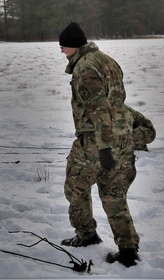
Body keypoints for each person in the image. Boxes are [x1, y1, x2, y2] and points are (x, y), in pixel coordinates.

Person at [58, 21, 141, 268]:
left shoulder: (84, 69)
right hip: (122, 138)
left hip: (96, 141)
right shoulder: (107, 60)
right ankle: (128, 250)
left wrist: (104, 148)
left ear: (73, 46)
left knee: (75, 186)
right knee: (114, 194)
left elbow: (99, 108)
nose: (62, 51)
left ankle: (86, 235)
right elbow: (117, 100)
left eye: (63, 47)